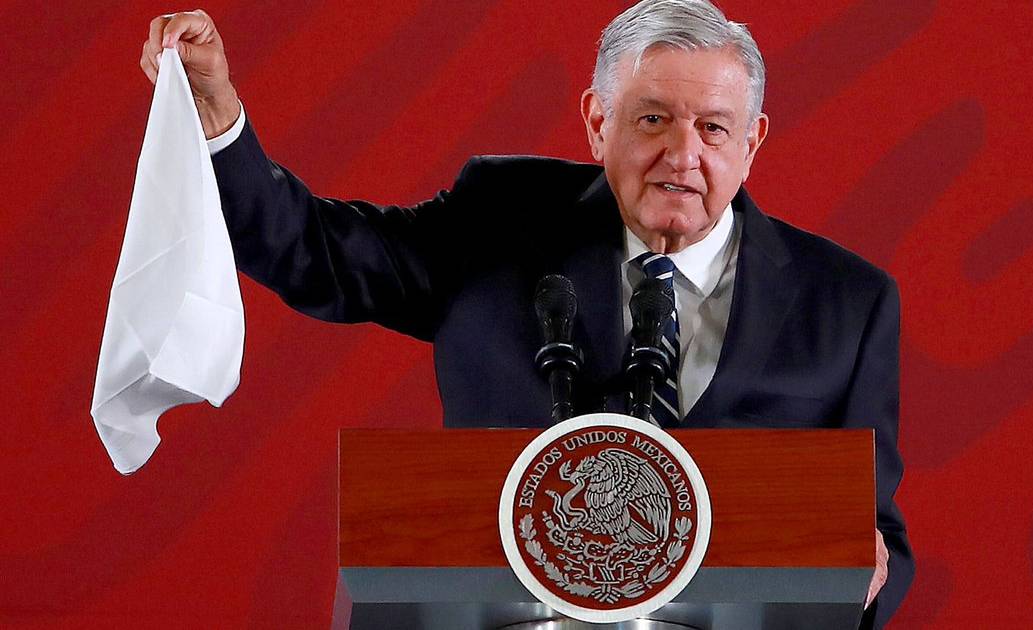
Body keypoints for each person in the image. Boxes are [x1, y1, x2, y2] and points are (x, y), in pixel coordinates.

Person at [139, 1, 913, 626]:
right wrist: (217, 120)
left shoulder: (849, 302)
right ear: (597, 122)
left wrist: (864, 572)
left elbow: (882, 541)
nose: (684, 153)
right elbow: (317, 253)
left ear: (752, 141)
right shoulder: (501, 218)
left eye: (713, 126)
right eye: (652, 119)